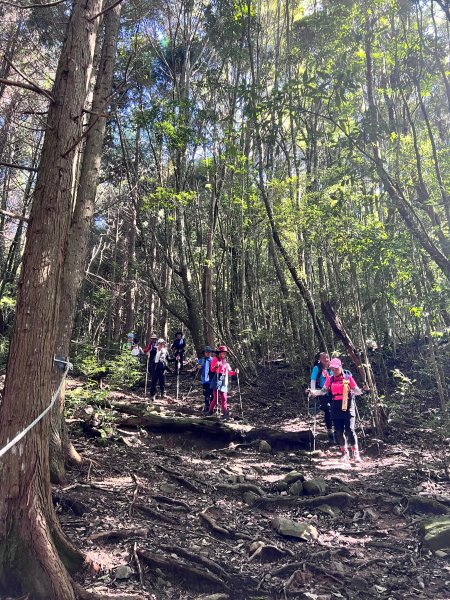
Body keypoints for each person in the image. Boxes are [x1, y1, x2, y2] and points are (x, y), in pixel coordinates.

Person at [309, 358, 365, 462]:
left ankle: (356, 454)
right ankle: (345, 453)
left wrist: (363, 390)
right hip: (336, 406)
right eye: (332, 369)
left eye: (336, 368)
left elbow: (356, 390)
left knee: (350, 430)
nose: (334, 371)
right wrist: (313, 392)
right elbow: (323, 391)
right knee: (339, 431)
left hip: (348, 405)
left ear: (340, 366)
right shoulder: (330, 379)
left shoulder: (348, 377)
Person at [208, 345, 238, 420]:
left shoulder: (225, 362)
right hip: (216, 379)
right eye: (223, 353)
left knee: (224, 398)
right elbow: (212, 369)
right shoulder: (215, 359)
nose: (224, 354)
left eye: (225, 353)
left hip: (224, 380)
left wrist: (235, 372)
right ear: (219, 353)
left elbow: (229, 372)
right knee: (216, 398)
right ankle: (210, 411)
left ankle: (225, 414)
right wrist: (216, 366)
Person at [310, 352, 335, 443]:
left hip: (333, 392)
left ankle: (337, 431)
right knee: (327, 409)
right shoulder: (317, 368)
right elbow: (313, 379)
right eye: (324, 358)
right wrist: (313, 391)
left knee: (335, 409)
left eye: (327, 357)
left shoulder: (332, 367)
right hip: (322, 392)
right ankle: (330, 432)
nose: (326, 359)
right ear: (320, 360)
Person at [197, 345, 214, 412]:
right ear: (204, 353)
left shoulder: (213, 360)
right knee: (206, 394)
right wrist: (199, 367)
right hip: (205, 380)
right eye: (207, 352)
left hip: (212, 380)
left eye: (209, 352)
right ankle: (207, 407)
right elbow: (198, 367)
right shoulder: (201, 360)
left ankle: (212, 407)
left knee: (213, 395)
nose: (208, 353)